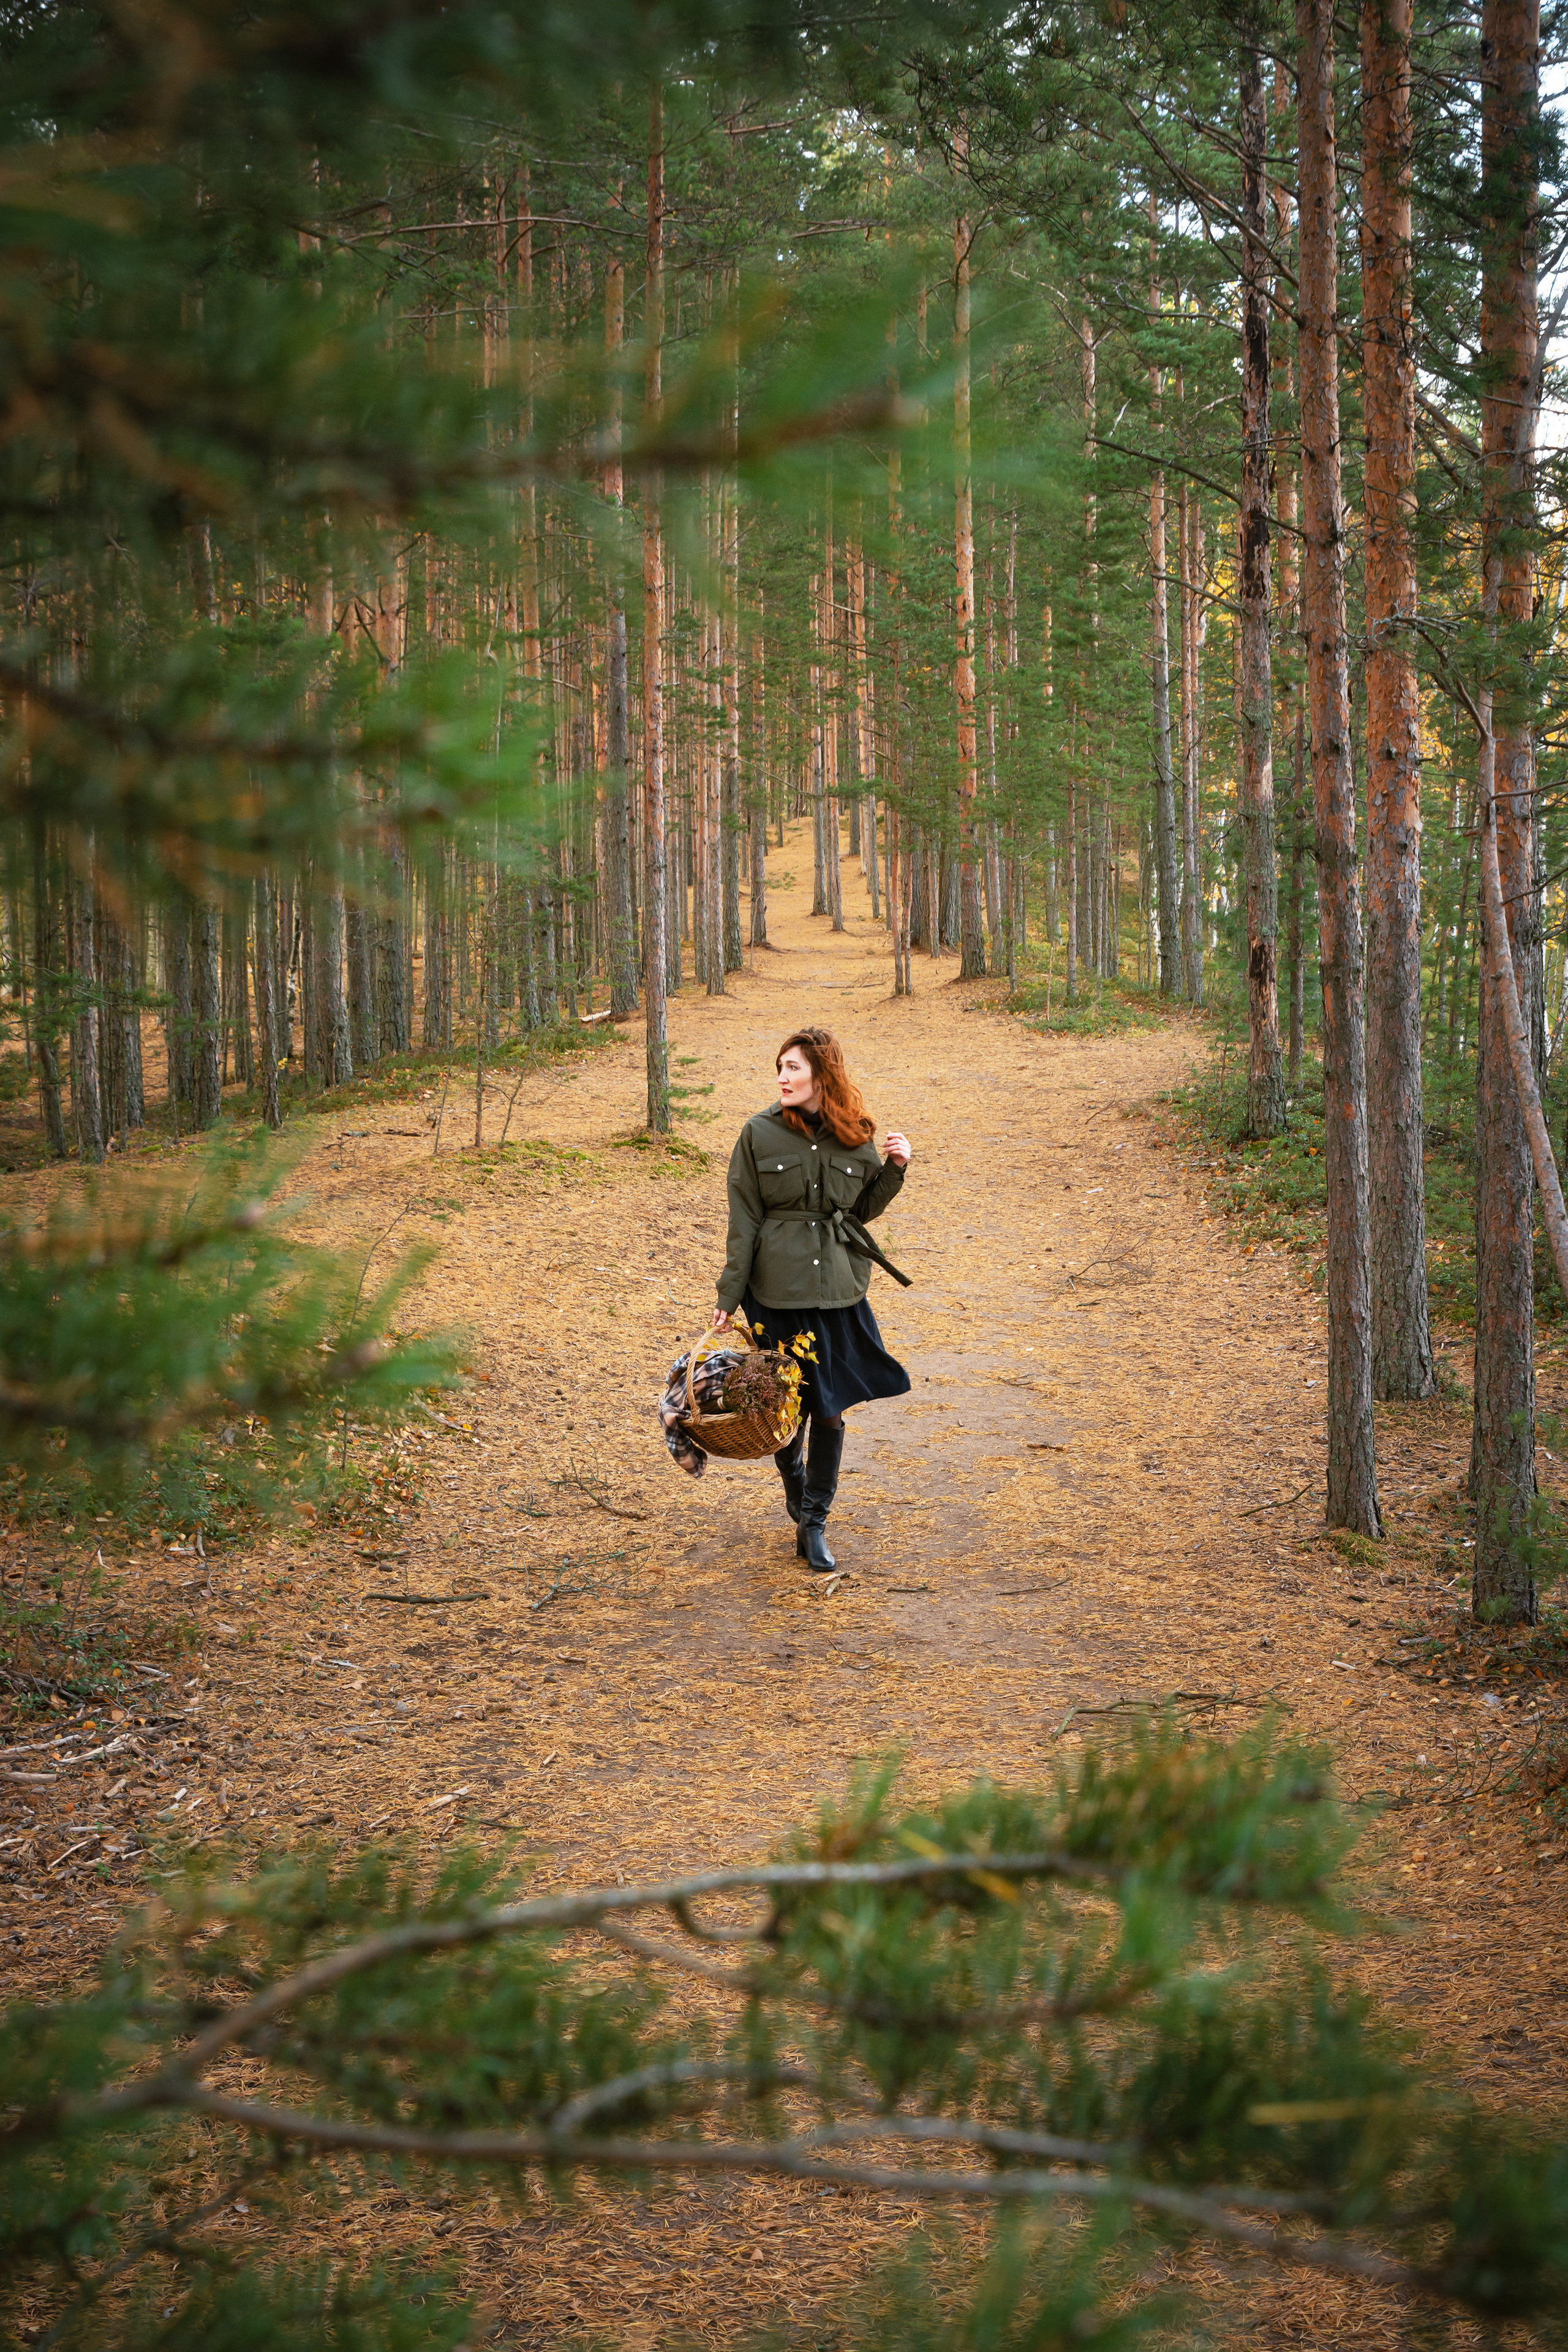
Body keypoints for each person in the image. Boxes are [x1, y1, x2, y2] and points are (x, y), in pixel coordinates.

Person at [712, 1027, 912, 1572]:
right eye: (779, 1067)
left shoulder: (856, 1134)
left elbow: (861, 1211)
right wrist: (729, 1294)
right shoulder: (758, 1133)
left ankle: (814, 1522)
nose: (782, 1077)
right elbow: (744, 1218)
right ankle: (796, 1483)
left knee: (828, 1410)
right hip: (776, 1293)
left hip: (840, 1294)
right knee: (784, 1413)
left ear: (822, 1075)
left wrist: (896, 1168)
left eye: (793, 1068)